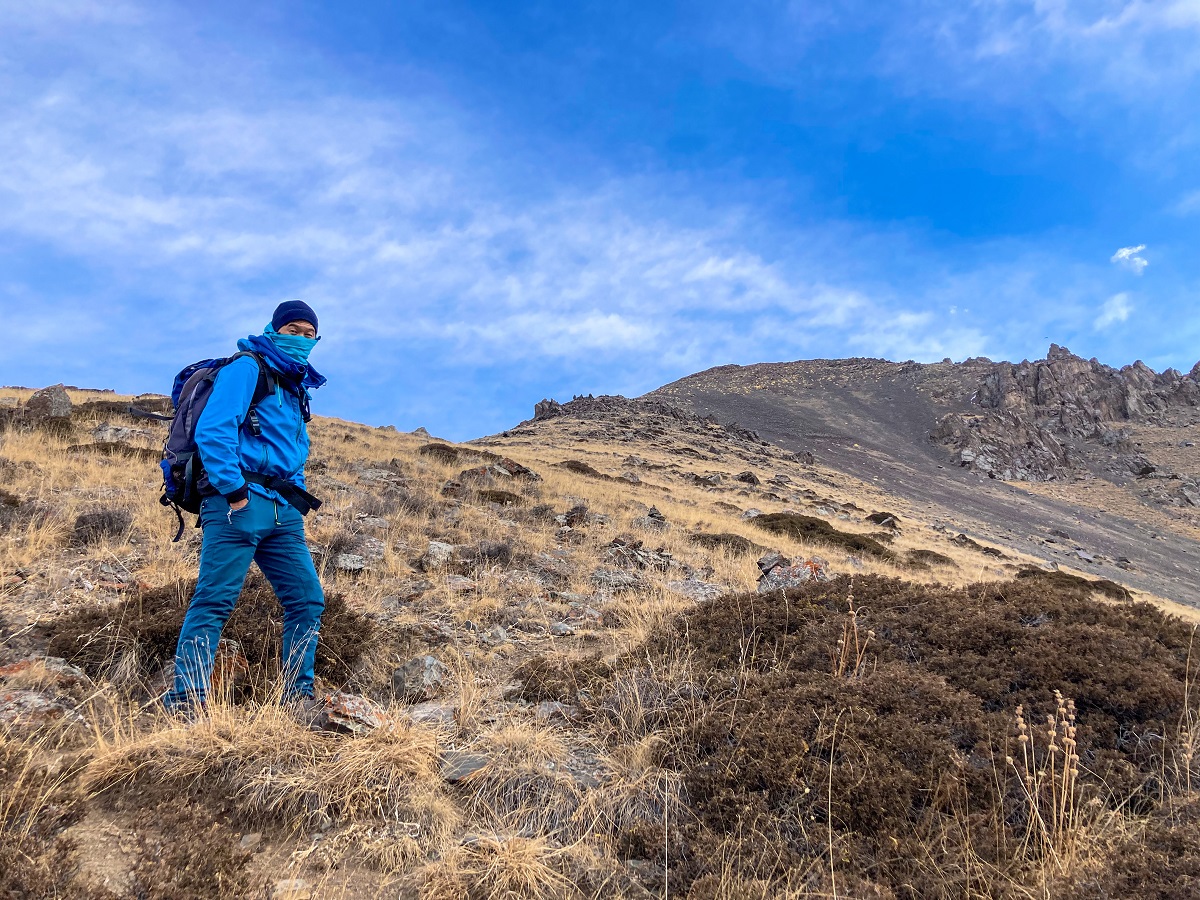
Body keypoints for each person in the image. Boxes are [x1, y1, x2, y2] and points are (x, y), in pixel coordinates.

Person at [164, 300, 327, 715]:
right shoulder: (248, 368)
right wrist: (235, 492)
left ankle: (297, 697)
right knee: (215, 600)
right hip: (238, 504)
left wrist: (295, 498)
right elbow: (214, 431)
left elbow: (294, 454)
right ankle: (186, 699)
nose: (302, 339)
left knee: (307, 600)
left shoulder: (294, 387)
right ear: (274, 329)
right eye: (294, 329)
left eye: (310, 334)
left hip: (282, 512)